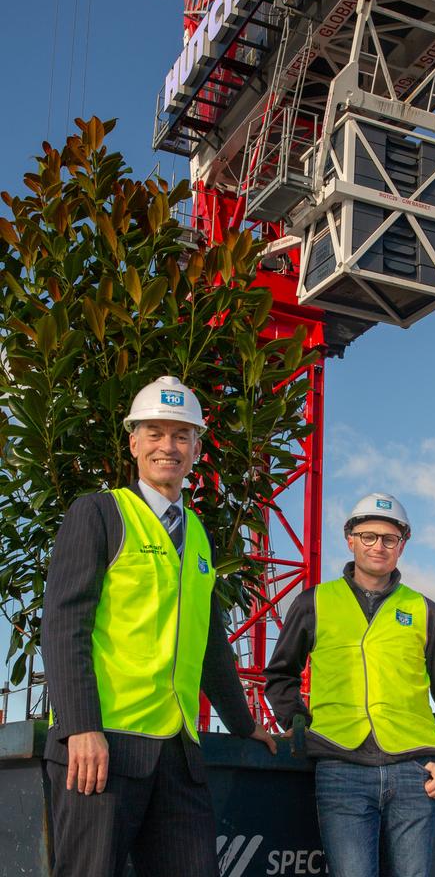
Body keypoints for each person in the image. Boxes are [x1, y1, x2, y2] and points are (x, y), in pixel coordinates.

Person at [42, 375, 276, 877]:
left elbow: (211, 642)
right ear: (133, 442)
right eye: (155, 433)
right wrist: (80, 726)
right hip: (103, 747)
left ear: (195, 448)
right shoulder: (100, 513)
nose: (167, 446)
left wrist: (243, 723)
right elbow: (64, 624)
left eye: (181, 435)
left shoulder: (198, 536)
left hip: (178, 754)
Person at [265, 491, 435, 877]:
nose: (378, 546)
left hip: (415, 768)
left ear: (402, 546)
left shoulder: (425, 610)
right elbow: (281, 674)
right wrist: (297, 723)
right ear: (350, 540)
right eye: (368, 536)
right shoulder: (315, 602)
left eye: (389, 539)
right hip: (340, 766)